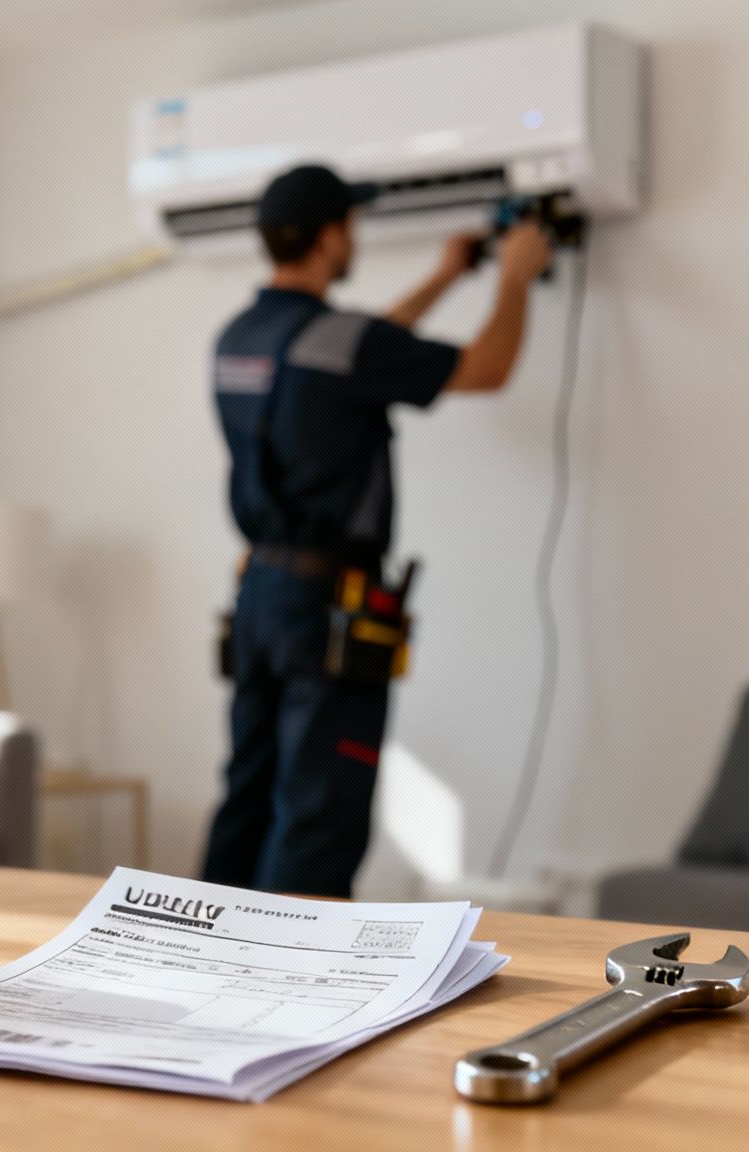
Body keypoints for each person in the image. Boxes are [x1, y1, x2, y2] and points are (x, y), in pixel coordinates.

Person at [201, 163, 552, 897]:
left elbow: (357, 354)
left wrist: (444, 276)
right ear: (330, 237)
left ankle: (209, 974)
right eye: (350, 226)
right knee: (319, 810)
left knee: (250, 796)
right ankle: (294, 994)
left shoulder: (239, 338)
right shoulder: (344, 345)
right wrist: (514, 276)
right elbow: (487, 367)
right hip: (332, 606)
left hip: (259, 598)